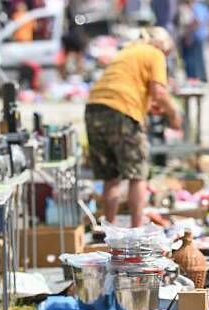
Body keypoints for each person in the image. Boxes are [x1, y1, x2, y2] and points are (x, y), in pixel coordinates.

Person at [85, 27, 182, 228]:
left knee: (110, 177)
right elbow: (159, 93)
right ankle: (136, 232)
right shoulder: (154, 53)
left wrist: (147, 107)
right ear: (162, 45)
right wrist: (174, 115)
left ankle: (108, 231)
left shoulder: (126, 52)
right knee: (137, 174)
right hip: (121, 112)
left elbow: (126, 86)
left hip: (94, 108)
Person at [179, 0, 209, 82]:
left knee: (194, 60)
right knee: (199, 59)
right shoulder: (202, 6)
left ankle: (196, 79)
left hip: (196, 36)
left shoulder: (197, 6)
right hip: (200, 35)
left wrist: (189, 34)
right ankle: (200, 78)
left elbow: (197, 21)